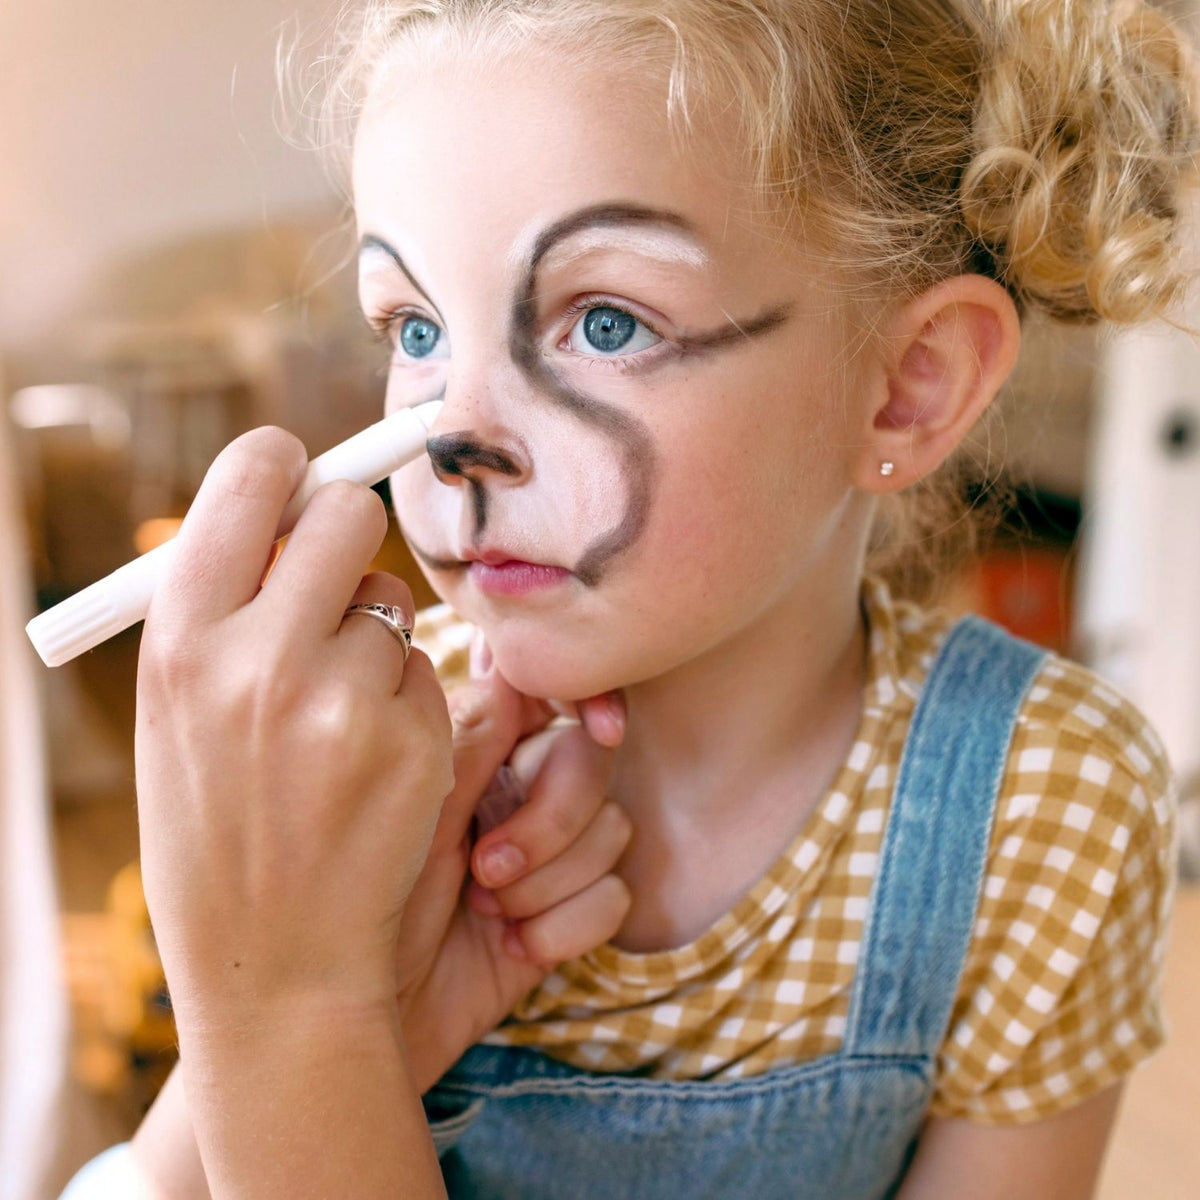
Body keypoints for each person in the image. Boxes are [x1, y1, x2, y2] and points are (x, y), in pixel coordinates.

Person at [61, 0, 1197, 1196]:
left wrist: (300, 1018)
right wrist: (289, 997)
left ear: (909, 386)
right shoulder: (369, 757)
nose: (453, 440)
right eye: (416, 325)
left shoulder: (1040, 811)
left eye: (606, 323)